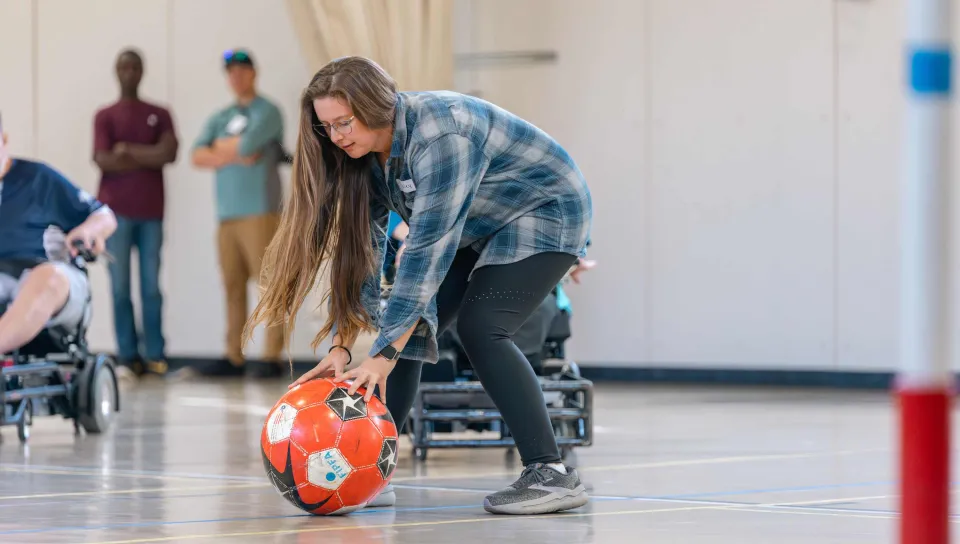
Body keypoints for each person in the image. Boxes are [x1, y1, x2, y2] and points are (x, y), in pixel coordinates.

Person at [245, 56, 593, 515]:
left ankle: (551, 473)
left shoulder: (442, 136)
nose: (336, 136)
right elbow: (360, 256)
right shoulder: (362, 158)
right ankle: (368, 471)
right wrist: (343, 347)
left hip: (545, 211)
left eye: (344, 122)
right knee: (410, 332)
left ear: (375, 105)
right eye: (326, 126)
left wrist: (383, 354)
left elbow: (427, 252)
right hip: (480, 223)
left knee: (480, 328)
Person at [191, 49, 286, 378]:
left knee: (269, 285)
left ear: (253, 73)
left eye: (242, 71)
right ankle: (234, 355)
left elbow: (248, 147)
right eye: (231, 72)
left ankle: (272, 355)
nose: (236, 77)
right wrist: (234, 150)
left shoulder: (268, 111)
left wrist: (222, 149)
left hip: (259, 211)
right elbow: (196, 155)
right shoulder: (222, 115)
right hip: (227, 214)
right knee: (232, 285)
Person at [0, 114, 117, 357]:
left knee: (48, 278)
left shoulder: (38, 178)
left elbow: (104, 216)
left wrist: (88, 230)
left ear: (4, 139)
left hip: (48, 278)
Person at [93, 49, 178, 377]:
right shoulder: (105, 115)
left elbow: (169, 153)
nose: (129, 72)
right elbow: (103, 159)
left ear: (142, 71)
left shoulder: (160, 113)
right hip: (114, 215)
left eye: (134, 67)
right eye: (124, 67)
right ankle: (128, 356)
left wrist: (128, 151)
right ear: (117, 72)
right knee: (119, 287)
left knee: (150, 287)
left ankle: (155, 355)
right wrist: (149, 155)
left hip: (151, 213)